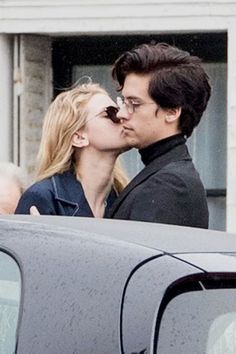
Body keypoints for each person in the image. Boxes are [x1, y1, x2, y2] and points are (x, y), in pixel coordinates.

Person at [107, 42, 211, 228]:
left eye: (135, 104)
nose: (122, 113)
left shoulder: (169, 184)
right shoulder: (166, 173)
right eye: (124, 101)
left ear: (172, 111)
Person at [15, 82, 129, 217]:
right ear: (78, 137)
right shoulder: (42, 198)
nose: (122, 116)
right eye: (110, 113)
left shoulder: (123, 199)